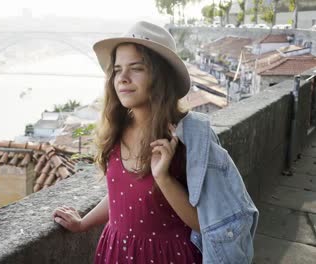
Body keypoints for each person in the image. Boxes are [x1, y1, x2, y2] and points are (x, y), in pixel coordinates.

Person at [53, 21, 258, 264]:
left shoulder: (186, 139)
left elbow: (203, 224)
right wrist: (83, 223)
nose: (123, 78)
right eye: (117, 69)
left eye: (136, 68)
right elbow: (121, 195)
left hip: (167, 256)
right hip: (116, 251)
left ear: (161, 76)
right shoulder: (117, 129)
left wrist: (164, 178)